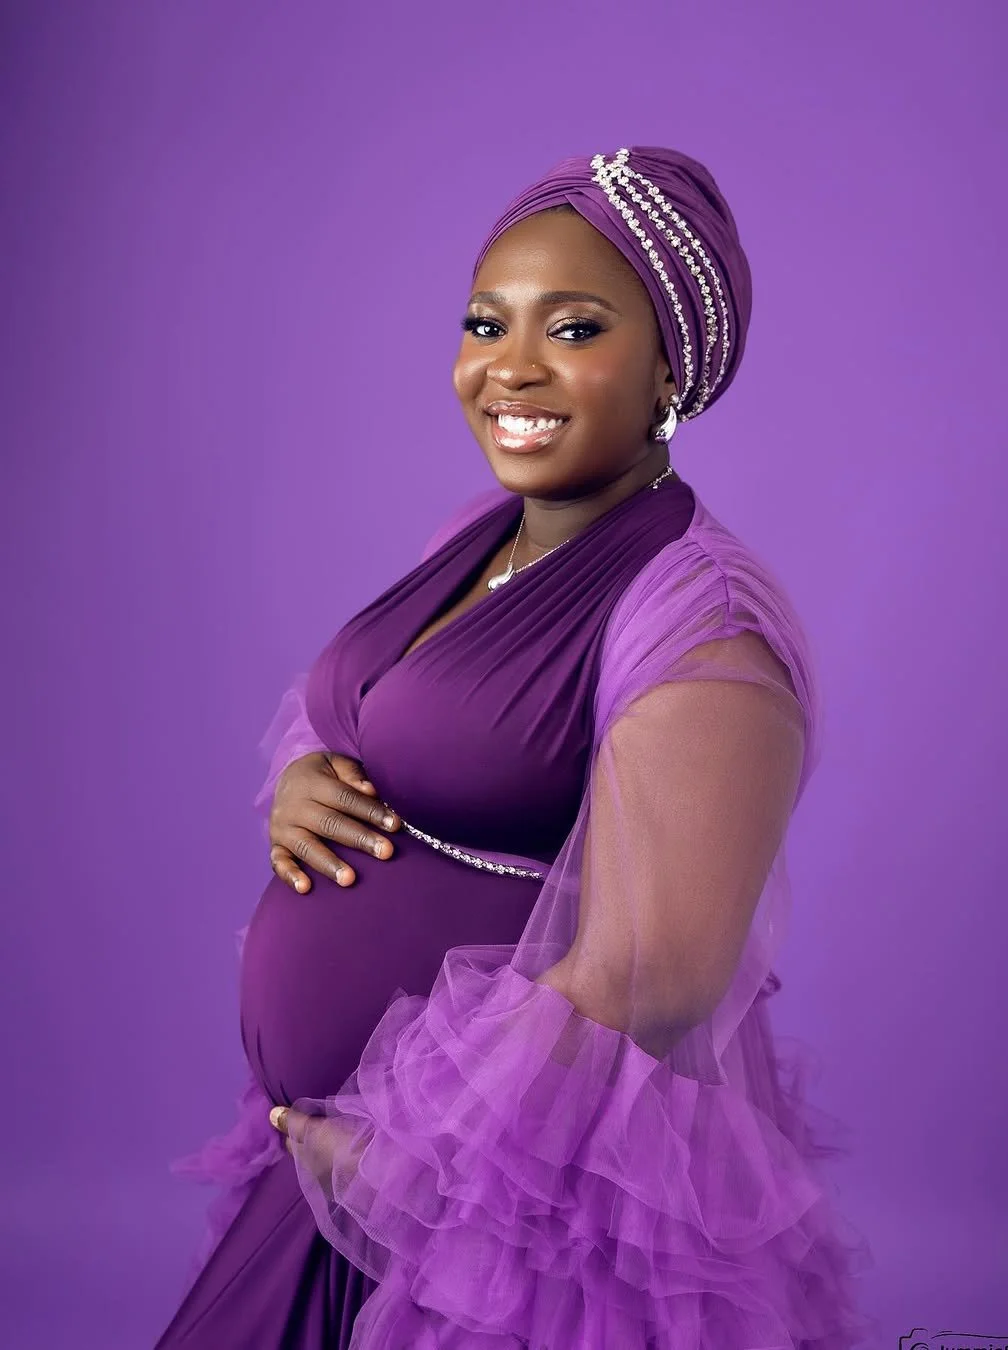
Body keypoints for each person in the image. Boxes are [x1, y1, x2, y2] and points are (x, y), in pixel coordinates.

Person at [154, 145, 876, 1349]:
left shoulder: (707, 622)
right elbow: (369, 701)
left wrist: (420, 1162)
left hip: (499, 1215)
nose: (511, 368)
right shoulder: (484, 536)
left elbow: (659, 975)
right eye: (487, 322)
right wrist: (303, 779)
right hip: (338, 1161)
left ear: (668, 372)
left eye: (576, 329)